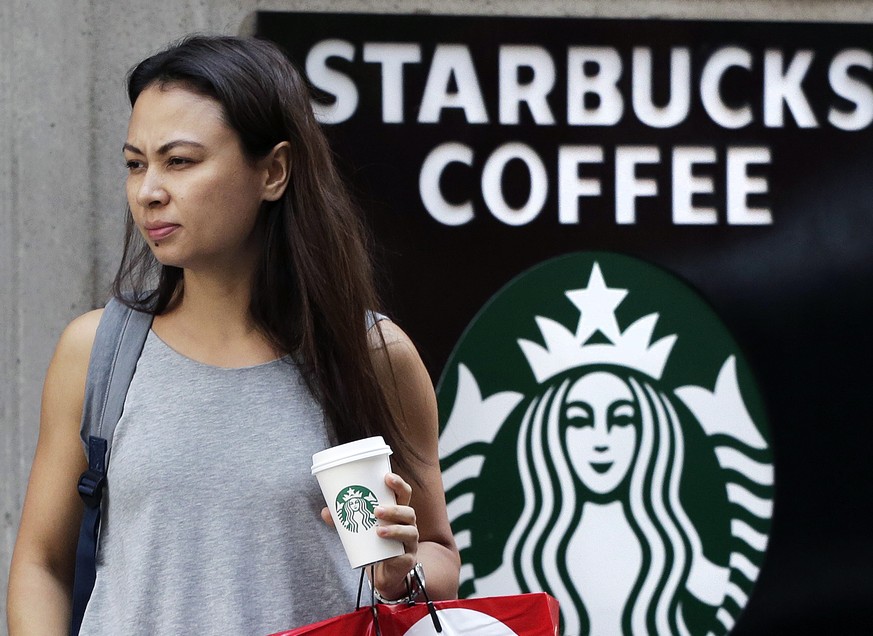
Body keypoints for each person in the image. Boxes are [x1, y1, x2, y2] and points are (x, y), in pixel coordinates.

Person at [7, 34, 460, 634]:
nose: (149, 192)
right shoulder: (98, 351)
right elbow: (41, 563)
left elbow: (440, 554)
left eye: (181, 161)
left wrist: (401, 572)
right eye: (135, 164)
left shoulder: (371, 355)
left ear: (273, 171)